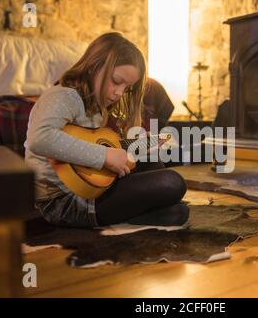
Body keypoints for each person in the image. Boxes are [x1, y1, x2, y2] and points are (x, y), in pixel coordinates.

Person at [24, 32, 189, 228]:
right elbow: (40, 138)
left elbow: (95, 148)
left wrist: (141, 145)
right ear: (94, 65)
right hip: (63, 202)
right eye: (116, 81)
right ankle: (141, 212)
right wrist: (105, 156)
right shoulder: (63, 96)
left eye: (127, 88)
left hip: (92, 188)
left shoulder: (98, 107)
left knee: (155, 167)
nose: (119, 93)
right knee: (173, 182)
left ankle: (139, 214)